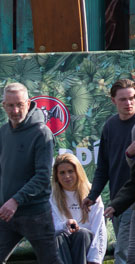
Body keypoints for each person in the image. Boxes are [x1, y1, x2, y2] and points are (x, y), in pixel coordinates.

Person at [0, 83, 62, 264]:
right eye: (11, 105)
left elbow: (43, 177)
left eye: (20, 104)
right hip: (7, 214)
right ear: (4, 106)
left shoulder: (41, 133)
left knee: (50, 261)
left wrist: (16, 200)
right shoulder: (3, 132)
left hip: (36, 214)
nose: (15, 110)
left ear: (28, 103)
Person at [90, 79, 135, 264]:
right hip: (117, 199)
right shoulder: (110, 125)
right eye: (123, 99)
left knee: (124, 252)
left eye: (132, 98)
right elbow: (103, 166)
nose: (129, 103)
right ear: (113, 100)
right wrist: (93, 194)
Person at [50, 153, 106, 264]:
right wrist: (65, 224)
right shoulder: (51, 196)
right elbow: (52, 226)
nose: (67, 176)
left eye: (70, 171)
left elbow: (99, 229)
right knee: (58, 236)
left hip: (85, 244)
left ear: (78, 172)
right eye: (62, 173)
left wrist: (94, 259)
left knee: (82, 234)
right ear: (56, 176)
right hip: (62, 244)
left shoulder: (92, 193)